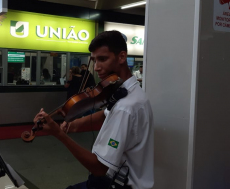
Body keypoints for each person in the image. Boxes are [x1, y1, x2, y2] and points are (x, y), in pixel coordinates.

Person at [33, 31, 154, 189]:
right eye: (94, 60)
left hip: (116, 184)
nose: (96, 67)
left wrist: (59, 134)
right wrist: (75, 123)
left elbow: (99, 168)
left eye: (103, 59)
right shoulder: (131, 92)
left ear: (122, 57)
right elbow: (106, 113)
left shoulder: (126, 107)